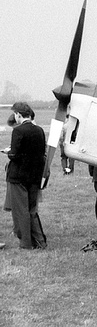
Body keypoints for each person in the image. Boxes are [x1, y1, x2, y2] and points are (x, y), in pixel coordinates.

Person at [3, 102, 47, 249]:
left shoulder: (18, 131)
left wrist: (8, 152)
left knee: (21, 210)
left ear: (18, 115)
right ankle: (40, 241)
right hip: (34, 176)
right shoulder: (39, 130)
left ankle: (26, 243)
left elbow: (14, 154)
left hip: (18, 176)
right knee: (32, 210)